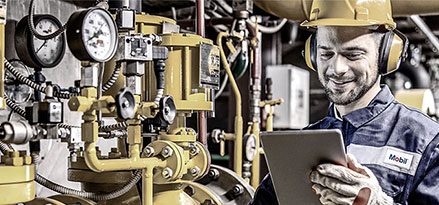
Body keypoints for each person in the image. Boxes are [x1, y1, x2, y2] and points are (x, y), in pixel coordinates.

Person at [251, 0, 439, 204]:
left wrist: (379, 202)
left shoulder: (426, 140)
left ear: (386, 55)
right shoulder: (299, 146)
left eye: (353, 54)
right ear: (312, 56)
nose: (337, 68)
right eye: (326, 54)